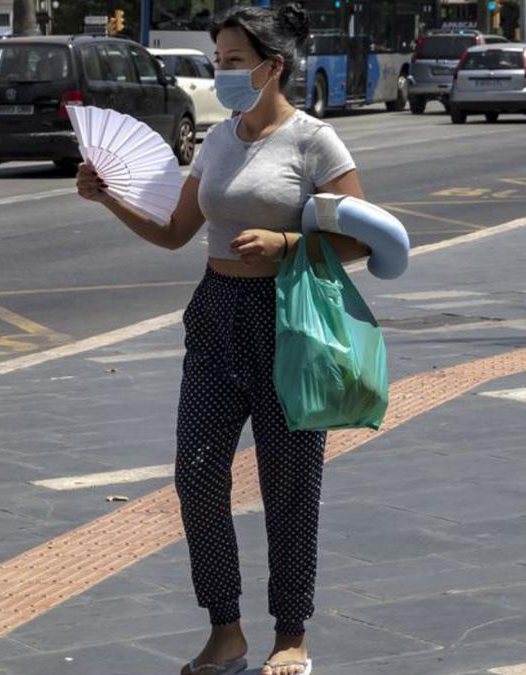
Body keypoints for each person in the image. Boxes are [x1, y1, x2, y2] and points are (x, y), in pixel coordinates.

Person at [76, 5, 369, 675]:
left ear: (273, 67)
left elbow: (361, 236)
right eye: (218, 61)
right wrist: (110, 198)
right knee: (198, 475)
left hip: (289, 316)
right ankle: (225, 629)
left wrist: (288, 241)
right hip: (215, 313)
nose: (223, 73)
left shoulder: (315, 142)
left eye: (233, 61)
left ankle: (291, 633)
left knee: (288, 482)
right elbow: (175, 231)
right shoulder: (217, 140)